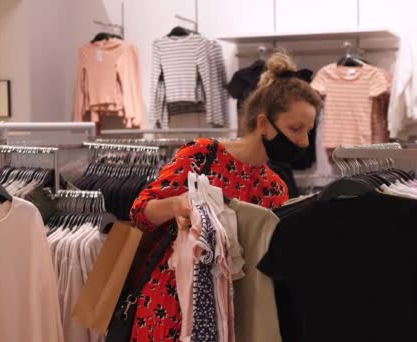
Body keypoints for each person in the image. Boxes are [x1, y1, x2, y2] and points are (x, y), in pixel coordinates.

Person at [128, 52, 322, 341]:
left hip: (231, 316)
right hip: (170, 306)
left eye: (309, 131)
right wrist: (177, 204)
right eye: (296, 129)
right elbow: (140, 212)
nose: (304, 142)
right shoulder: (203, 155)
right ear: (264, 123)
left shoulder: (275, 188)